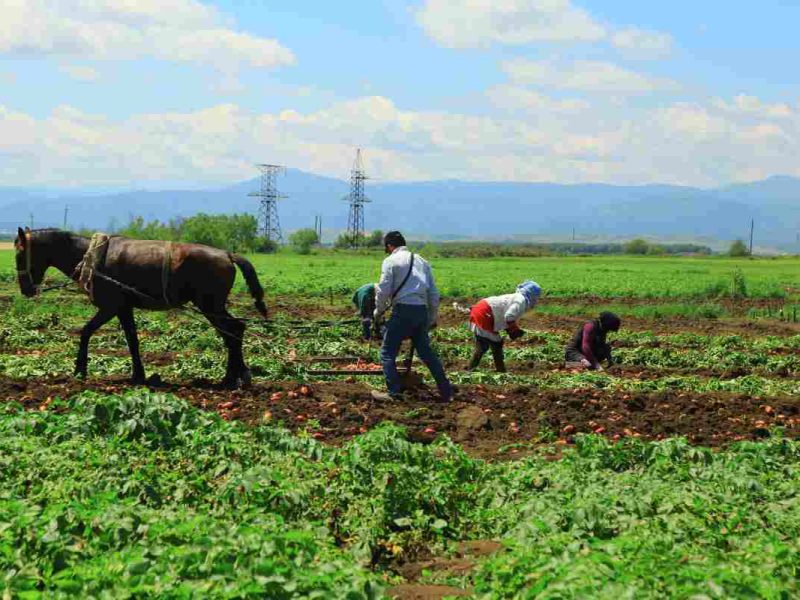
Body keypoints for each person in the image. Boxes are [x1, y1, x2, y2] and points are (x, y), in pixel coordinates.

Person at [372, 231, 453, 402]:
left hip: (402, 310)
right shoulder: (422, 261)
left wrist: (378, 312)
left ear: (389, 246)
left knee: (387, 353)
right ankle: (446, 391)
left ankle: (394, 392)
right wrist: (431, 318)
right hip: (421, 311)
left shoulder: (390, 261)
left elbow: (383, 291)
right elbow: (433, 293)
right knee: (426, 353)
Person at [467, 281, 541, 372]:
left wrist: (511, 330)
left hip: (481, 310)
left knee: (483, 345)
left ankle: (471, 369)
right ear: (532, 295)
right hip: (484, 313)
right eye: (536, 297)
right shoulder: (521, 301)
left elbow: (504, 314)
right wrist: (514, 330)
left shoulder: (517, 297)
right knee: (496, 343)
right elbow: (509, 316)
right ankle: (500, 370)